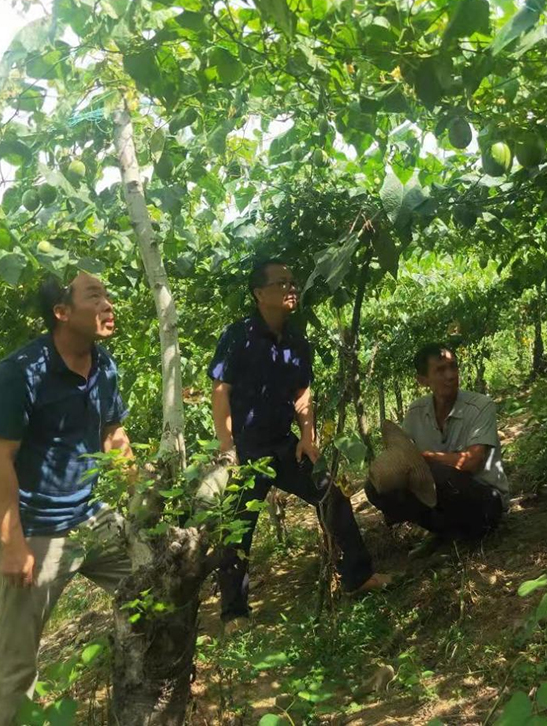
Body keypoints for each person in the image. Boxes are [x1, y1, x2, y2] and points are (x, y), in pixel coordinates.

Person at [0, 272, 134, 725]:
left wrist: (145, 497)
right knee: (16, 663)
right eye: (95, 296)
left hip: (91, 519)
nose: (108, 304)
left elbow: (113, 434)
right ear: (62, 312)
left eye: (107, 295)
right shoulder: (20, 373)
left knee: (158, 578)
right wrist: (13, 544)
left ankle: (138, 697)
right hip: (34, 532)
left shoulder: (104, 364)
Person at [209, 258, 390, 631]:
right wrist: (228, 447)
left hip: (284, 444)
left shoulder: (296, 341)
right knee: (237, 530)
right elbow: (220, 390)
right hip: (246, 450)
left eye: (293, 282)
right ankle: (234, 613)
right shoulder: (237, 336)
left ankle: (357, 576)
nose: (291, 288)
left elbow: (302, 390)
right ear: (260, 294)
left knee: (331, 497)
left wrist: (307, 436)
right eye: (281, 283)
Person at [365, 343, 508, 546]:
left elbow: (472, 462)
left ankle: (473, 532)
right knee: (375, 486)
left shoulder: (480, 406)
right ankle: (445, 532)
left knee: (439, 475)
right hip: (442, 498)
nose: (450, 375)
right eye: (440, 370)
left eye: (453, 367)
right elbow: (404, 455)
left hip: (485, 502)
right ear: (423, 380)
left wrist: (427, 458)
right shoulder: (416, 412)